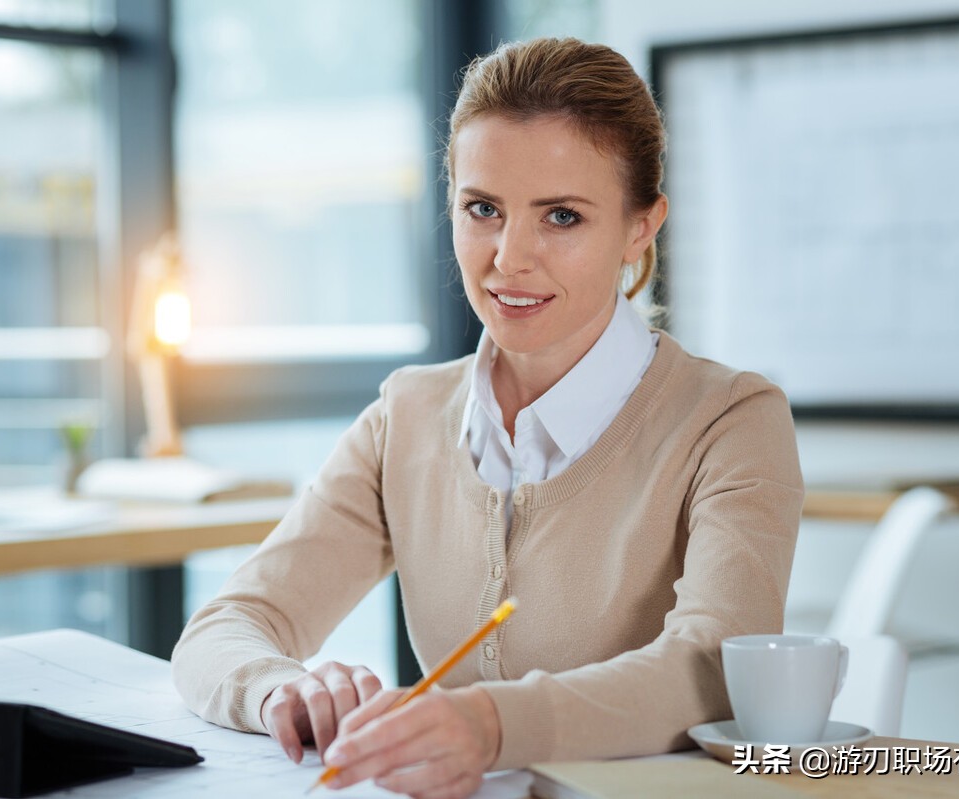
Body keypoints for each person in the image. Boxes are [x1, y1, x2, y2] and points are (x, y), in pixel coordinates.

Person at [172, 36, 803, 799]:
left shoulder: (731, 420)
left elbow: (715, 668)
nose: (509, 257)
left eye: (562, 216)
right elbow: (228, 624)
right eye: (483, 209)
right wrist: (280, 690)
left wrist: (489, 725)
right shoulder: (406, 415)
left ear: (642, 227)